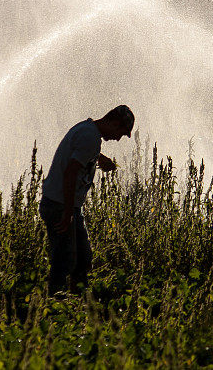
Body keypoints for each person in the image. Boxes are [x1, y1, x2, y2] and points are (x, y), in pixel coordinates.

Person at [39, 104, 134, 296]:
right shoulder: (90, 137)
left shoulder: (87, 129)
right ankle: (56, 308)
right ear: (114, 122)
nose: (118, 139)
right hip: (61, 206)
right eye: (121, 133)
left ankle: (76, 303)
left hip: (67, 206)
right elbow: (70, 174)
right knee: (64, 261)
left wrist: (99, 158)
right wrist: (67, 214)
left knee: (82, 259)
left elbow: (80, 152)